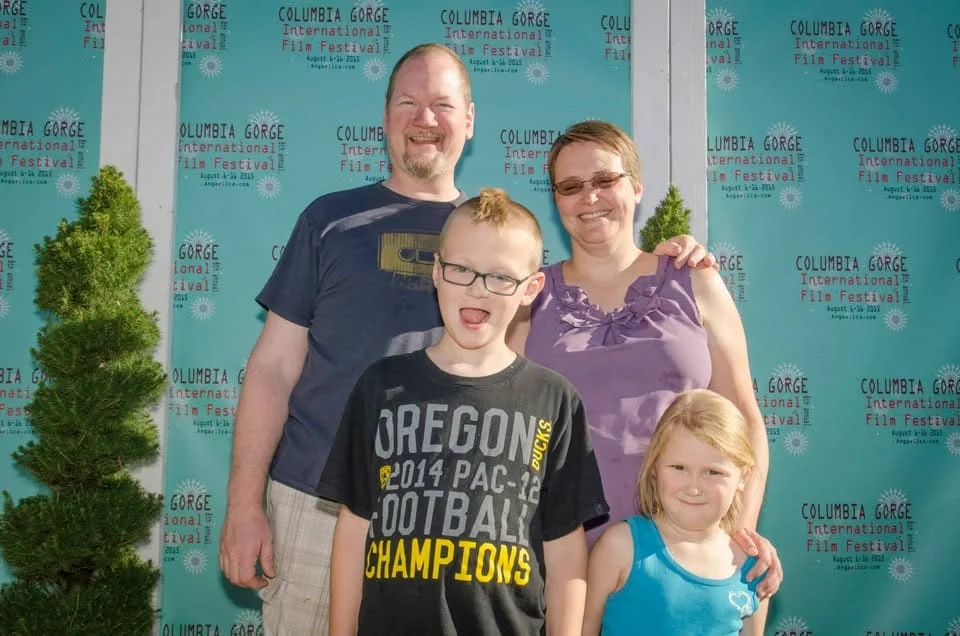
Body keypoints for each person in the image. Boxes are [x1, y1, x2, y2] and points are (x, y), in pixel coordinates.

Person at [218, 43, 710, 634]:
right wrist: (244, 504)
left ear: (470, 120)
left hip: (460, 526)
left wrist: (664, 262)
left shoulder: (497, 233)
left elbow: (550, 344)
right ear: (385, 115)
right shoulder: (328, 221)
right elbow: (272, 367)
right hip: (316, 505)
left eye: (443, 105)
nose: (425, 118)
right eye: (408, 102)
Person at [317, 188, 608, 635]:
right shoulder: (381, 386)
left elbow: (565, 548)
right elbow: (355, 526)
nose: (477, 288)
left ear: (531, 288)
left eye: (501, 277)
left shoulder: (555, 400)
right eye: (461, 270)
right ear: (436, 271)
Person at [511, 120, 781, 597]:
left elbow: (745, 420)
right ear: (556, 201)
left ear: (636, 187)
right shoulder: (529, 298)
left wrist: (736, 536)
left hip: (683, 559)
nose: (590, 197)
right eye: (571, 186)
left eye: (605, 179)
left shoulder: (695, 280)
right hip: (557, 562)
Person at [582, 389, 768, 635]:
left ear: (743, 477)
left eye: (713, 472)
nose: (694, 487)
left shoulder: (754, 568)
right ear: (655, 467)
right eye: (679, 468)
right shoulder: (619, 547)